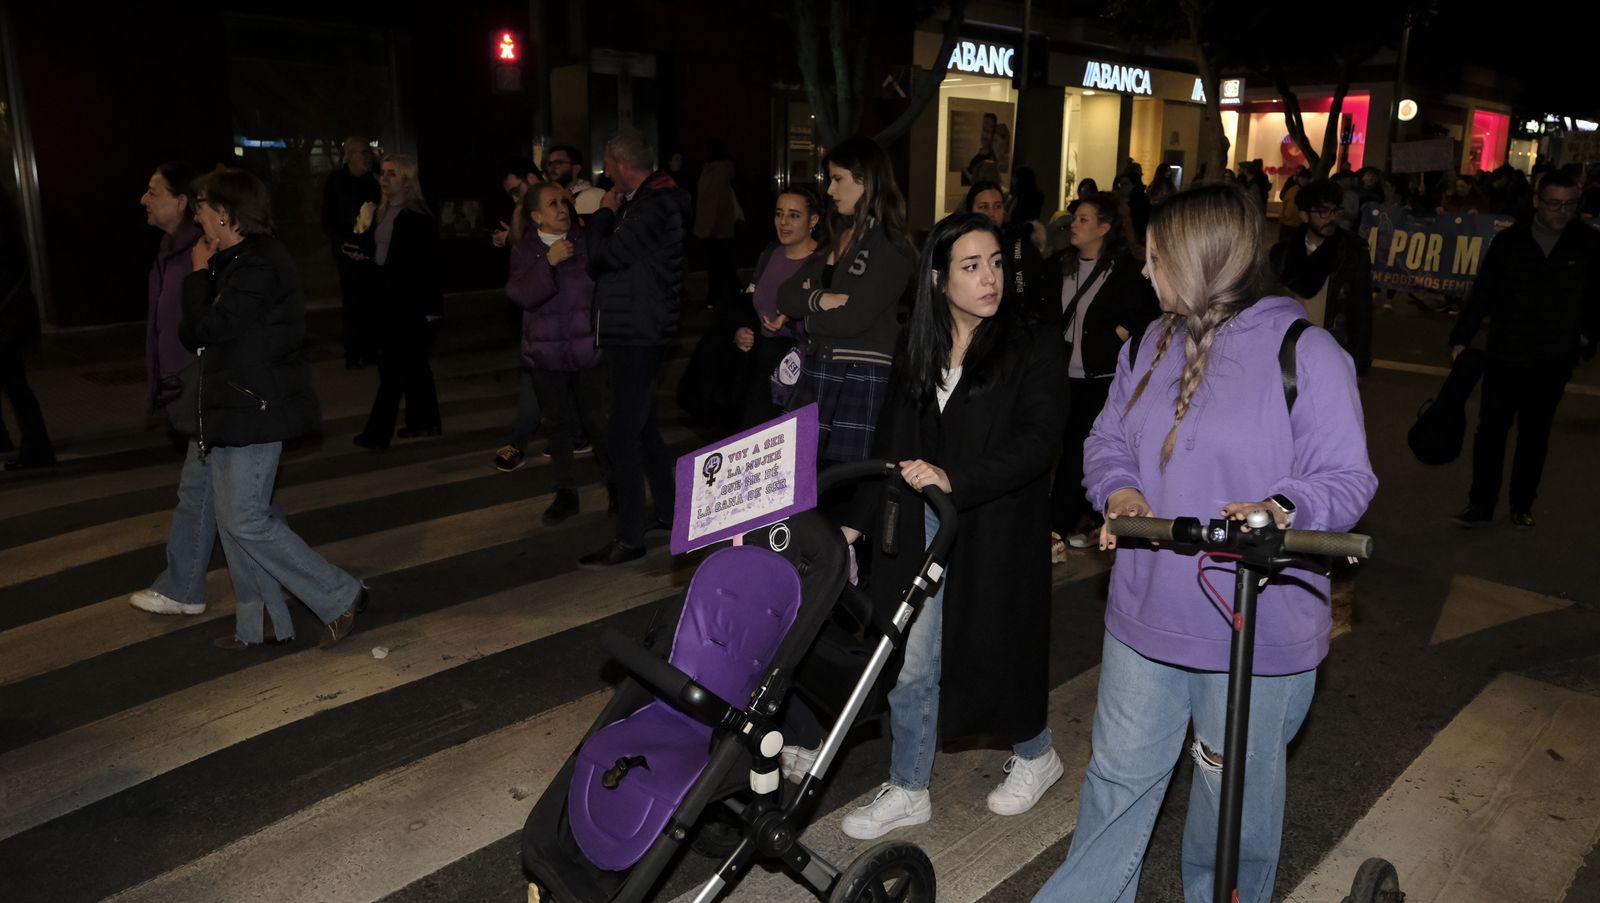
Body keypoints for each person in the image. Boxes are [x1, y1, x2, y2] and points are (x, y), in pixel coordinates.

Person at [1032, 184, 1376, 902]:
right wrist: (1119, 488)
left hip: (1256, 617)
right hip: (1146, 612)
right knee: (1118, 779)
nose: (1147, 272)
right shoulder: (1154, 340)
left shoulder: (1305, 352)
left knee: (1233, 801)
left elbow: (1345, 474)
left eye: (1157, 259)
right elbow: (1106, 438)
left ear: (1206, 260)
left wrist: (1285, 505)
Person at [821, 211, 1070, 840]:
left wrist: (957, 479)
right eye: (971, 266)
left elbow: (1039, 442)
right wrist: (853, 525)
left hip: (995, 527)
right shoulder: (919, 347)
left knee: (994, 648)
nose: (990, 279)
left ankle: (1037, 755)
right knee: (912, 659)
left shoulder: (1034, 344)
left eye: (996, 264)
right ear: (938, 279)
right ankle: (909, 786)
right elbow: (889, 441)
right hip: (918, 527)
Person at [178, 167, 368, 648]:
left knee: (245, 519)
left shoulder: (260, 263)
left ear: (224, 213)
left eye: (201, 204)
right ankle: (260, 622)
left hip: (254, 407)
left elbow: (208, 328)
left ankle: (340, 593)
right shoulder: (238, 259)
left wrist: (199, 276)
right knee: (233, 519)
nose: (194, 213)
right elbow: (200, 332)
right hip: (231, 407)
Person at [1449, 171, 1599, 529]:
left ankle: (1522, 504)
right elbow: (1483, 291)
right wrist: (1462, 335)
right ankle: (1481, 504)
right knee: (1491, 432)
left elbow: (1597, 300)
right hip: (1505, 352)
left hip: (1553, 358)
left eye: (1569, 205)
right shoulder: (1511, 241)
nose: (1561, 211)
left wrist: (1583, 340)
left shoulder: (1589, 244)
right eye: (1554, 203)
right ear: (1537, 201)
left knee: (1535, 434)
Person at [577, 129, 691, 568]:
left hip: (639, 330)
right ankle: (667, 510)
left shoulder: (656, 204)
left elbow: (603, 257)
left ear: (624, 165)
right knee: (641, 427)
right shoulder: (648, 201)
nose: (606, 175)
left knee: (621, 432)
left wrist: (603, 216)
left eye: (608, 165)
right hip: (635, 326)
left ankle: (629, 537)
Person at [777, 135, 915, 466]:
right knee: (802, 482)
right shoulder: (839, 236)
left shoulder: (891, 244)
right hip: (820, 368)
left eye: (838, 179)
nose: (829, 190)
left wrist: (807, 315)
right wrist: (822, 299)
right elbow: (785, 296)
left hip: (861, 375)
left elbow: (852, 318)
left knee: (842, 486)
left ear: (865, 180)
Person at [1049, 191, 1159, 553]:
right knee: (1063, 450)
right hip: (1062, 377)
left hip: (1101, 379)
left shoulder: (1125, 270)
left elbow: (1145, 310)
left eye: (1083, 219)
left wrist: (1117, 335)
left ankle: (1065, 525)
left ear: (1105, 227)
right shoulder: (1060, 265)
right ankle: (1071, 522)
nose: (1074, 225)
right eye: (1074, 218)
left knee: (1083, 451)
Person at [505, 182, 611, 523]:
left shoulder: (585, 243)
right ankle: (566, 493)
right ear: (536, 216)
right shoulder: (525, 250)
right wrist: (548, 263)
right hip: (547, 356)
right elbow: (521, 294)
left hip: (587, 352)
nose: (563, 208)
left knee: (599, 422)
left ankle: (618, 488)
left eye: (565, 201)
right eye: (553, 204)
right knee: (558, 425)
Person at [353, 154, 444, 449]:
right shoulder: (381, 212)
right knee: (414, 365)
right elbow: (380, 253)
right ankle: (425, 422)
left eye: (392, 173)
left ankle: (377, 434)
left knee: (392, 370)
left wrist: (432, 309)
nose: (384, 178)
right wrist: (361, 253)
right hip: (385, 301)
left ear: (406, 180)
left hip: (409, 304)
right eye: (383, 172)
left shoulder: (418, 218)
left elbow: (429, 267)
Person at [731, 185, 820, 428]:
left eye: (794, 215)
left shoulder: (822, 261)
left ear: (813, 219)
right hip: (762, 360)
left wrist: (790, 320)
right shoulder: (770, 254)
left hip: (798, 365)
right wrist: (741, 330)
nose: (783, 222)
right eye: (779, 214)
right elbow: (752, 301)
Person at [1269, 178, 1373, 375]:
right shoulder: (1283, 253)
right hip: (1290, 350)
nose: (1331, 218)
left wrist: (1359, 363)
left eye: (1335, 211)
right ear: (1304, 215)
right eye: (1323, 212)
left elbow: (1361, 308)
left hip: (1332, 348)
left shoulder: (1352, 252)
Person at [141, 162, 203, 424]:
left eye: (153, 193)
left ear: (180, 202)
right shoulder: (169, 251)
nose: (143, 199)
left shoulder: (202, 251)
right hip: (179, 386)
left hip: (198, 388)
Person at [0, 193, 55, 471]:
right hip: (11, 319)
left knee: (16, 386)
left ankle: (37, 447)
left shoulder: (4, 232)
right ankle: (30, 444)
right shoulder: (9, 225)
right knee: (15, 384)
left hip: (6, 322)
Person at [321, 137, 381, 368]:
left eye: (368, 152)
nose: (366, 156)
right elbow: (328, 219)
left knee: (373, 301)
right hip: (347, 252)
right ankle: (354, 353)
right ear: (349, 155)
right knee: (353, 304)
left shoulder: (373, 180)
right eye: (362, 152)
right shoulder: (336, 181)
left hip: (371, 250)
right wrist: (344, 243)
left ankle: (372, 350)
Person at [965, 180, 1050, 324]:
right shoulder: (960, 247)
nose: (991, 213)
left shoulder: (1020, 246)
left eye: (997, 206)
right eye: (983, 207)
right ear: (970, 210)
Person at [695, 139, 744, 311]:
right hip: (722, 225)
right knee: (724, 263)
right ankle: (735, 292)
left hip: (716, 226)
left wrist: (706, 226)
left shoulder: (715, 170)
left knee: (717, 264)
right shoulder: (720, 169)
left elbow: (711, 201)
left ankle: (715, 297)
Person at [491, 156, 543, 249]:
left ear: (531, 178)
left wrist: (513, 237)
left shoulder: (556, 200)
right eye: (511, 195)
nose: (515, 199)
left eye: (516, 191)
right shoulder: (527, 209)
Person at [544, 143, 605, 215]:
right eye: (550, 164)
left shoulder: (596, 196)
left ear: (576, 168)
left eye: (558, 163)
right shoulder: (546, 198)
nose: (552, 168)